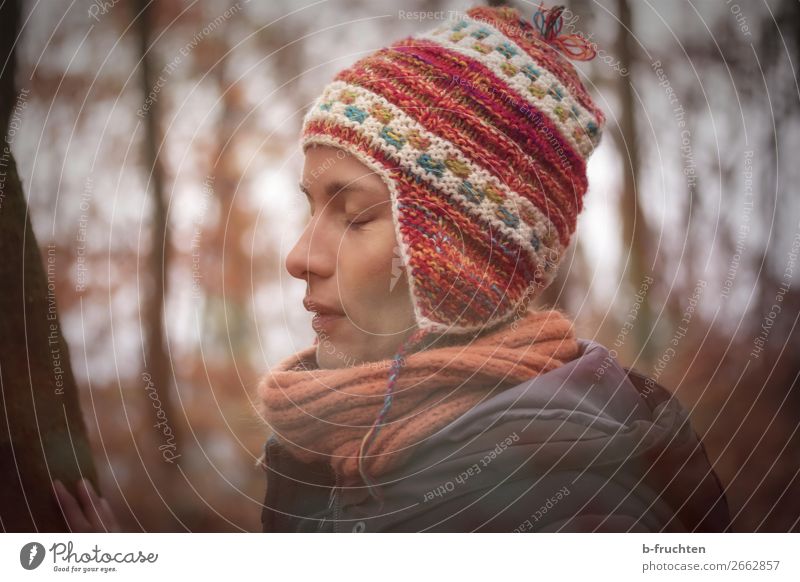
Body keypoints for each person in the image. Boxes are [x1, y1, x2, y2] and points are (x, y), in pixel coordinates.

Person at [54, 4, 730, 533]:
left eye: (354, 215)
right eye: (310, 208)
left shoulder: (559, 509)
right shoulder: (339, 452)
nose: (299, 257)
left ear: (464, 259)